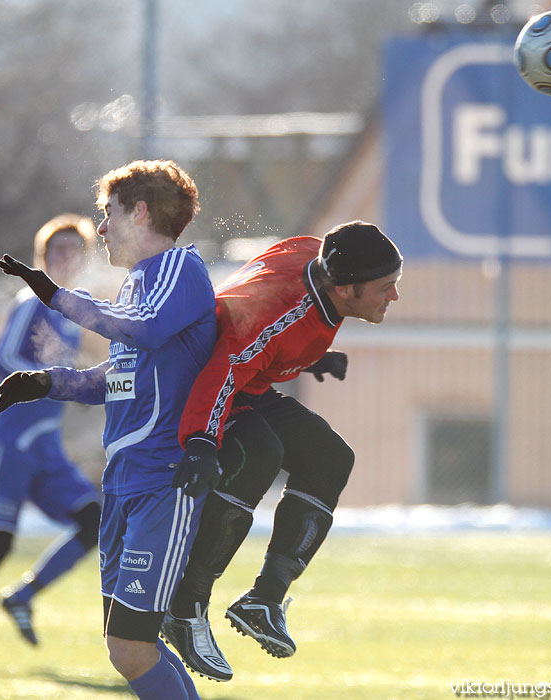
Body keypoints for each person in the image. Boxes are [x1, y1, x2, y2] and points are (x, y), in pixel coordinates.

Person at [0, 160, 218, 700]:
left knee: (133, 647)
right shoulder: (139, 284)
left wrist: (56, 295)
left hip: (163, 481)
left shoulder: (180, 270)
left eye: (107, 213)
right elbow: (117, 376)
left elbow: (143, 329)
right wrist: (46, 381)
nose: (100, 228)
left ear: (139, 212)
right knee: (130, 650)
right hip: (123, 483)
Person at [160, 220, 403, 682]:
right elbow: (230, 363)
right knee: (260, 453)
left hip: (242, 377)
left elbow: (260, 334)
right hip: (198, 386)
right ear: (346, 289)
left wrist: (309, 358)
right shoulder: (284, 313)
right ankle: (184, 606)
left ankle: (263, 600)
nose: (394, 297)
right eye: (386, 287)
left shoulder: (320, 256)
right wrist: (200, 442)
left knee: (331, 458)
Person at [0, 214, 102, 669]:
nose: (67, 258)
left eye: (75, 250)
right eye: (58, 251)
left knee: (93, 520)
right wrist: (48, 380)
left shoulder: (70, 312)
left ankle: (23, 595)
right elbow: (4, 357)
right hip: (13, 443)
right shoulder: (30, 302)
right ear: (42, 258)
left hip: (46, 446)